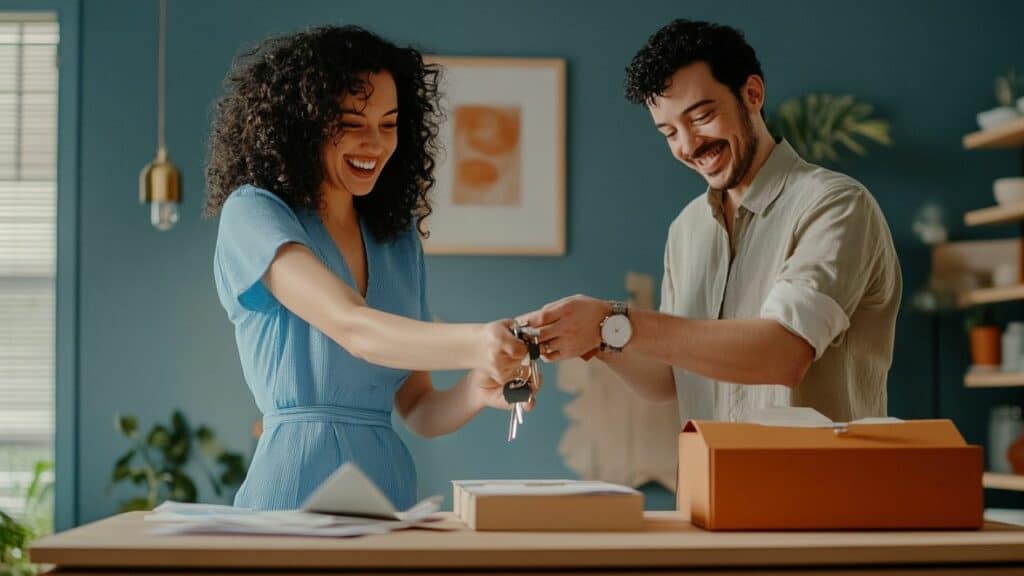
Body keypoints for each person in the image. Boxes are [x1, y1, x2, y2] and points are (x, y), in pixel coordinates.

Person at [205, 25, 532, 511]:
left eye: (389, 123)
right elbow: (352, 326)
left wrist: (474, 389)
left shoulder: (396, 240)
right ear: (303, 123)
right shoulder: (253, 213)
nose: (375, 143)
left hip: (388, 492)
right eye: (351, 122)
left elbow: (417, 406)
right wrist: (476, 342)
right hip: (291, 488)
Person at [519, 19, 901, 425]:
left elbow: (783, 354)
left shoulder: (835, 205)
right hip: (712, 485)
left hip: (813, 487)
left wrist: (612, 320)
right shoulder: (687, 229)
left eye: (700, 116)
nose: (687, 145)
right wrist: (596, 339)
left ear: (752, 94)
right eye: (668, 132)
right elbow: (667, 380)